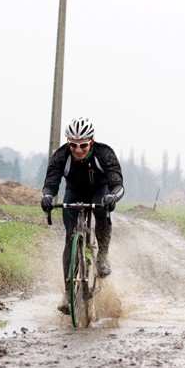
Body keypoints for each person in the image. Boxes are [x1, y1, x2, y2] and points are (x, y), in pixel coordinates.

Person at [41, 116, 124, 314]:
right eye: (73, 145)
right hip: (74, 191)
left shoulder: (104, 153)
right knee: (70, 240)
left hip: (100, 190)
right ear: (68, 143)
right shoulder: (61, 156)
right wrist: (47, 197)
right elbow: (50, 184)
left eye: (83, 145)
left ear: (91, 142)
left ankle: (102, 257)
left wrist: (113, 196)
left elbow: (118, 183)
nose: (78, 150)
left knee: (100, 211)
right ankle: (69, 294)